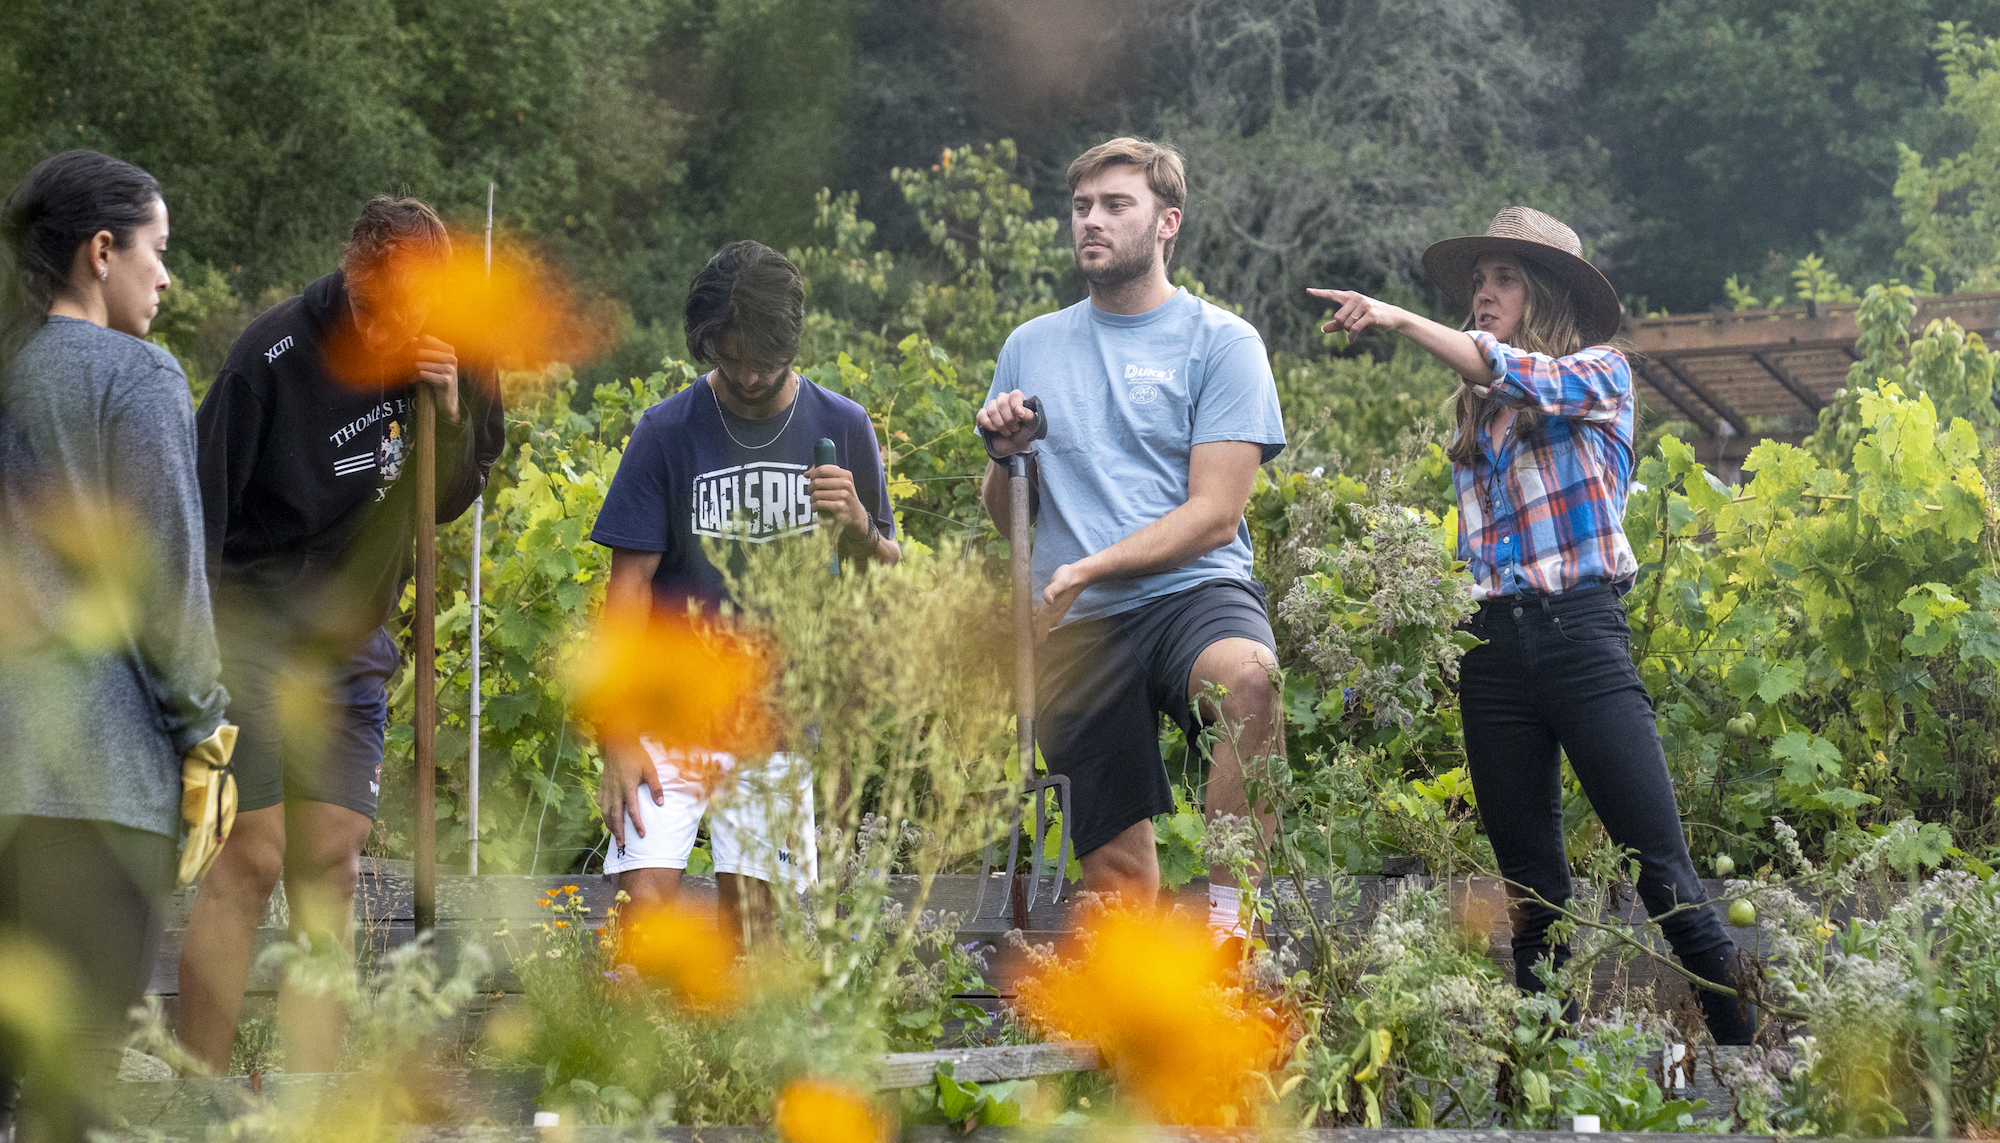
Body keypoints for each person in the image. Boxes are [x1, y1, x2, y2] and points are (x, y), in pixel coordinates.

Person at [1307, 206, 1754, 1043]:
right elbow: (1490, 392)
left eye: (1503, 279)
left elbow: (1515, 372)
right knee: (1531, 893)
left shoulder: (1603, 375)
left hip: (1583, 637)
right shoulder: (1474, 417)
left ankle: (1760, 1080)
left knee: (1664, 875)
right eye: (1478, 281)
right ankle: (1544, 1091)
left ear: (1545, 294)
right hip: (1495, 654)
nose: (1483, 292)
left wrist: (1400, 317)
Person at [181, 195, 505, 1073]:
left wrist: (447, 410)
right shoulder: (271, 356)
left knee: (328, 862)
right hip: (251, 627)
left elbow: (446, 498)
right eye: (370, 311)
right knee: (254, 857)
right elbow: (197, 510)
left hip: (352, 641)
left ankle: (307, 1099)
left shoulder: (459, 351)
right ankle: (197, 1099)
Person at [974, 137, 1287, 937]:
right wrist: (1004, 456)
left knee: (1250, 680)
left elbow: (1215, 512)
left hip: (1193, 592)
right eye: (1082, 206)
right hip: (1078, 624)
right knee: (1119, 879)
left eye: (1116, 206)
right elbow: (1008, 515)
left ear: (1166, 223)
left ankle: (1228, 931)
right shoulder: (1029, 346)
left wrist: (1093, 564)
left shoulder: (1223, 342)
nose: (1092, 221)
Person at [0, 149, 230, 1138]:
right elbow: (165, 576)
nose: (167, 275)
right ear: (103, 252)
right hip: (99, 782)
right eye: (158, 250)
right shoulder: (138, 376)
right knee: (79, 1083)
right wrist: (206, 727)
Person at [591, 240, 897, 940]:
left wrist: (858, 525)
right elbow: (627, 591)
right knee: (642, 916)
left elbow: (884, 571)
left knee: (759, 937)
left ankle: (736, 1053)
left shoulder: (842, 427)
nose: (751, 375)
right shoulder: (666, 431)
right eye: (730, 358)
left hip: (778, 721)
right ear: (706, 344)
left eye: (766, 359)